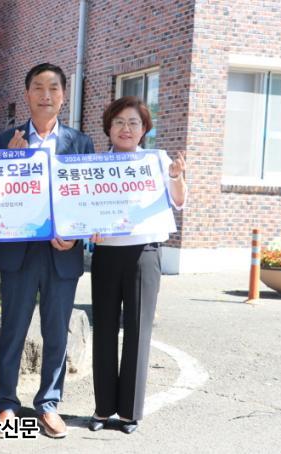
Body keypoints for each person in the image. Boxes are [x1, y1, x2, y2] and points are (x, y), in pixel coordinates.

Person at [0, 63, 95, 438]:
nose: (45, 95)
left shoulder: (80, 143)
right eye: (38, 87)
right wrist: (9, 162)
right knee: (13, 329)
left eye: (53, 88)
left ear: (63, 96)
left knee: (56, 333)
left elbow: (86, 197)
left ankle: (49, 404)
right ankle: (6, 401)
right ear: (27, 94)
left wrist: (76, 234)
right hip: (18, 250)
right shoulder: (6, 139)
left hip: (61, 251)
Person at [88, 96, 187, 434]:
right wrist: (88, 227)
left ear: (145, 128)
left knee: (138, 330)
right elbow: (82, 207)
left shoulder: (158, 161)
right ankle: (103, 408)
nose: (126, 129)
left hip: (145, 253)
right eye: (119, 122)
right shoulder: (95, 165)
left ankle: (130, 412)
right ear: (109, 128)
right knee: (103, 329)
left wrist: (176, 177)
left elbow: (178, 200)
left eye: (133, 122)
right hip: (106, 253)